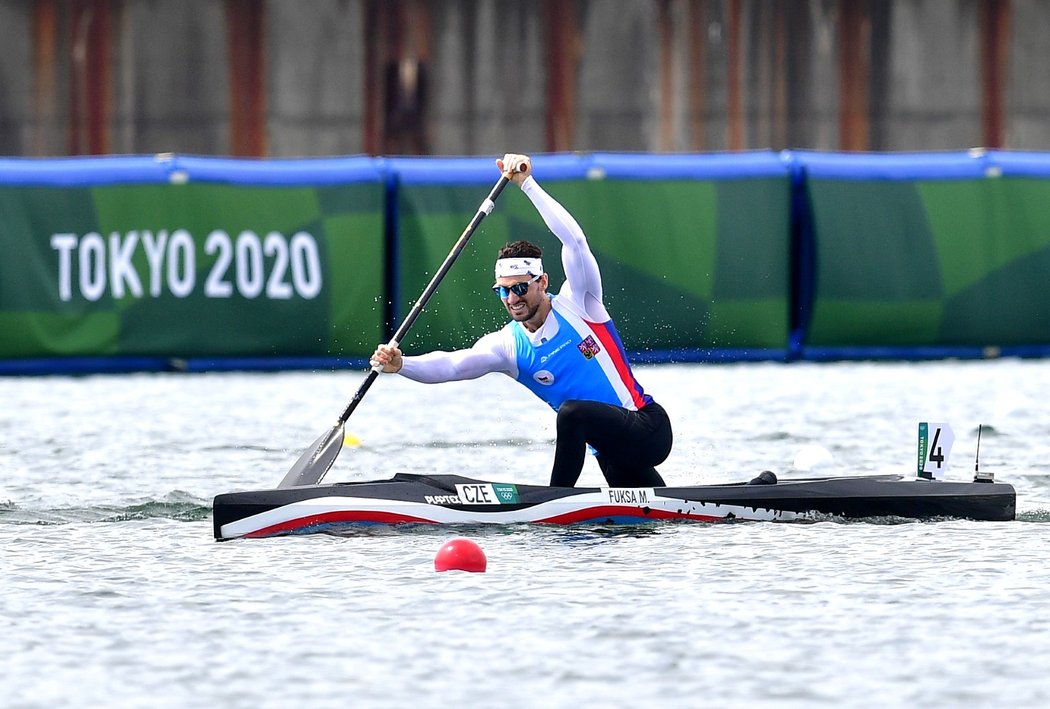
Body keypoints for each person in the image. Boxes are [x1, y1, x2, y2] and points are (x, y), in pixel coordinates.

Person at [370, 153, 672, 488]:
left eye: (521, 288)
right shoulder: (507, 346)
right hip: (613, 455)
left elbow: (575, 241)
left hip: (648, 429)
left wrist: (526, 184)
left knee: (571, 413)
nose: (513, 299)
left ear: (542, 282)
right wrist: (402, 365)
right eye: (504, 291)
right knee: (648, 522)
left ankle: (554, 502)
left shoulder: (581, 303)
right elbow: (452, 366)